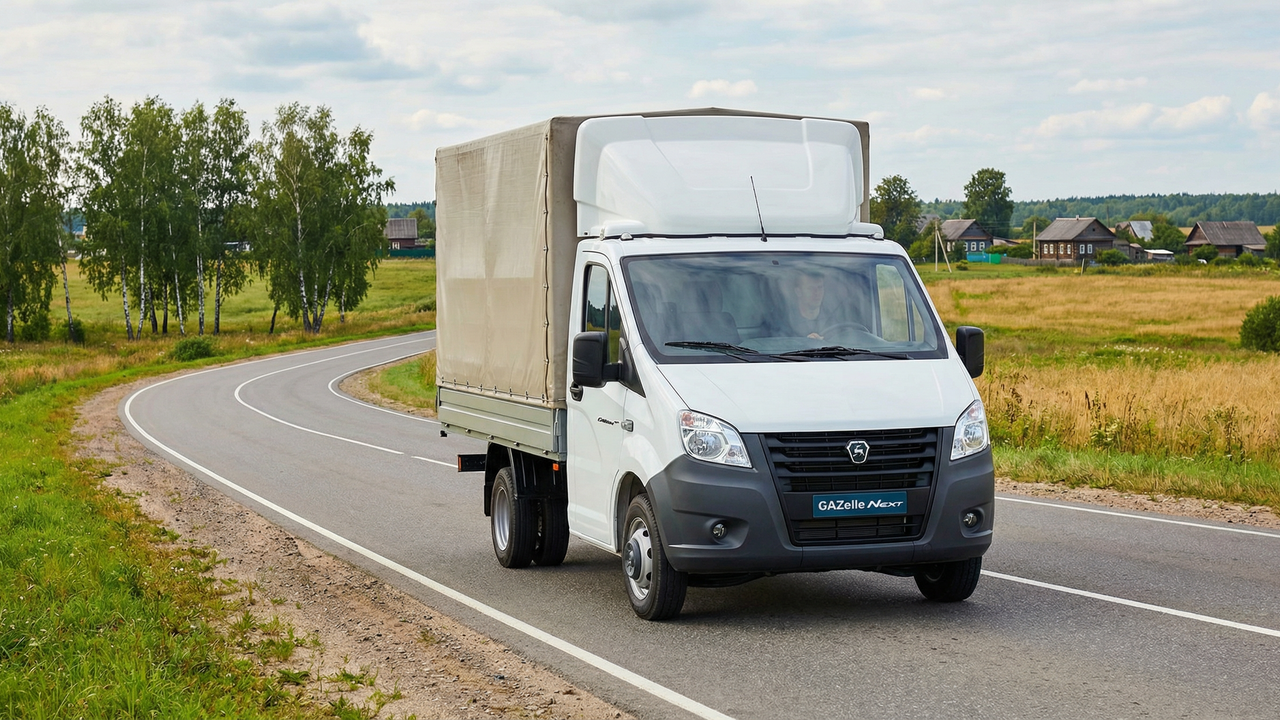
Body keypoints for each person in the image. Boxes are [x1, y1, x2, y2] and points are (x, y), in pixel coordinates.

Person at [784, 270, 830, 339]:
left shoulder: (832, 320)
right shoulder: (786, 324)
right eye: (811, 288)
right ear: (798, 292)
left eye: (820, 287)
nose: (817, 293)